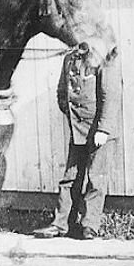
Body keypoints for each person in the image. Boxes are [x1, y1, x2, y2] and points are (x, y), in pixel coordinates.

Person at [35, 41, 122, 240]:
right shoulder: (70, 58)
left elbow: (111, 96)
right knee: (70, 177)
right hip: (77, 130)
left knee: (95, 178)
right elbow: (61, 91)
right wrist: (71, 115)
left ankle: (89, 226)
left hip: (98, 130)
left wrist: (104, 129)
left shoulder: (104, 57)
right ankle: (60, 224)